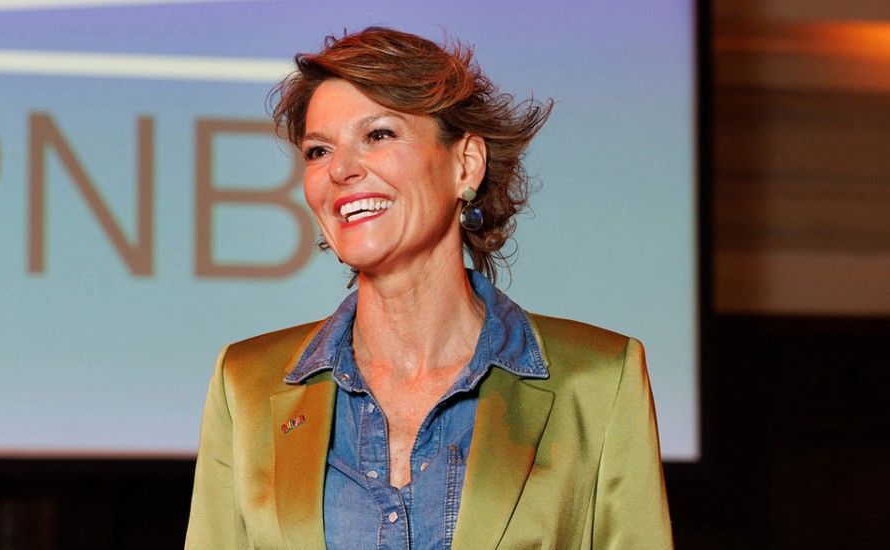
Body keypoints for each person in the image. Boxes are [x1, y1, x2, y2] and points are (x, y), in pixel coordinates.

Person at [184, 27, 672, 549]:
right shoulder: (247, 385)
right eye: (318, 151)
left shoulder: (599, 381)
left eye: (378, 135)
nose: (341, 170)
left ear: (466, 164)